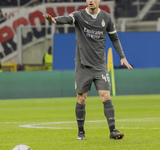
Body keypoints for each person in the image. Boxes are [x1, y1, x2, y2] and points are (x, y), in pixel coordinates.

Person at [43, 0, 133, 140]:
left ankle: (113, 131)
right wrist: (54, 20)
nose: (91, 1)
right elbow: (68, 18)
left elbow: (114, 38)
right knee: (82, 98)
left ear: (98, 1)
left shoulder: (106, 18)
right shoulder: (79, 15)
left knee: (106, 96)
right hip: (83, 65)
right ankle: (81, 132)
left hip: (99, 65)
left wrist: (122, 56)